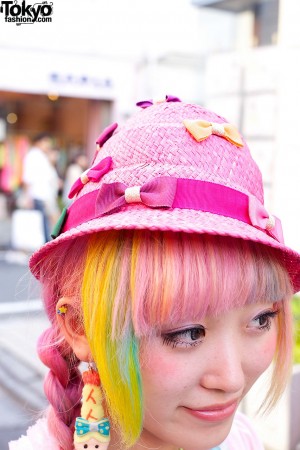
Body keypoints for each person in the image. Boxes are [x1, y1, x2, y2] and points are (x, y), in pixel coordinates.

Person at [9, 97, 300, 450]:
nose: (231, 379)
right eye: (189, 332)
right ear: (80, 327)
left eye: (260, 320)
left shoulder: (243, 440)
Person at [22, 132, 60, 242]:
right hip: (38, 195)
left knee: (45, 223)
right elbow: (28, 178)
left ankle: (45, 245)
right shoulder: (33, 156)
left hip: (44, 195)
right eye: (46, 142)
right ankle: (44, 247)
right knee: (42, 223)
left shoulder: (41, 156)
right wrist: (27, 197)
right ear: (38, 142)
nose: (48, 145)